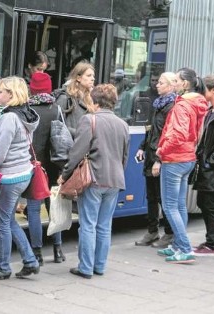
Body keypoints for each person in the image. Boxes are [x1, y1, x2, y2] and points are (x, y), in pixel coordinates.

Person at [59, 84, 129, 279]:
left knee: (88, 225)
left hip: (93, 179)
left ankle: (86, 267)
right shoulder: (123, 124)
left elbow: (77, 152)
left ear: (94, 101)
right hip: (114, 180)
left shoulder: (89, 120)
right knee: (104, 226)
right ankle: (99, 266)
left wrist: (65, 175)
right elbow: (124, 156)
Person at [0, 76, 41, 280]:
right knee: (8, 220)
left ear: (11, 94)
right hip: (23, 173)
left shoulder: (9, 118)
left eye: (1, 91)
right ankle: (29, 260)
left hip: (9, 177)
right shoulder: (26, 115)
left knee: (1, 223)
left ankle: (3, 266)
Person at [155, 67, 208, 264]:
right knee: (179, 205)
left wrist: (162, 150)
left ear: (185, 84)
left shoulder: (181, 106)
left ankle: (185, 248)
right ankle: (178, 245)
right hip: (187, 158)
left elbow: (177, 134)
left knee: (170, 207)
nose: (174, 83)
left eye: (176, 80)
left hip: (174, 159)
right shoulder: (199, 103)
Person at [133, 72, 178, 248]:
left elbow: (168, 136)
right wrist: (142, 147)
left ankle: (169, 233)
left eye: (160, 82)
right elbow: (151, 130)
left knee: (162, 197)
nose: (156, 85)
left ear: (171, 85)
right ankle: (152, 231)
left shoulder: (172, 107)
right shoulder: (158, 104)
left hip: (161, 157)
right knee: (151, 196)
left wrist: (160, 160)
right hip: (150, 155)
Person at [25, 72, 65, 264]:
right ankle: (58, 250)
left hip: (34, 165)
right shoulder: (56, 109)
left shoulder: (26, 110)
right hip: (53, 165)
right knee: (53, 208)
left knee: (33, 209)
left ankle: (37, 253)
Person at [191, 74, 214, 257]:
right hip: (209, 167)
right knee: (203, 202)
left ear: (213, 90)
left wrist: (208, 162)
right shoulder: (213, 110)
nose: (200, 90)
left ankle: (213, 244)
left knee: (211, 204)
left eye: (204, 87)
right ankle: (210, 241)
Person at [54, 61, 95, 138]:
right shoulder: (65, 97)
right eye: (89, 75)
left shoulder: (90, 98)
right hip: (71, 144)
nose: (93, 79)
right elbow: (57, 125)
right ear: (78, 78)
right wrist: (79, 133)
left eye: (93, 76)